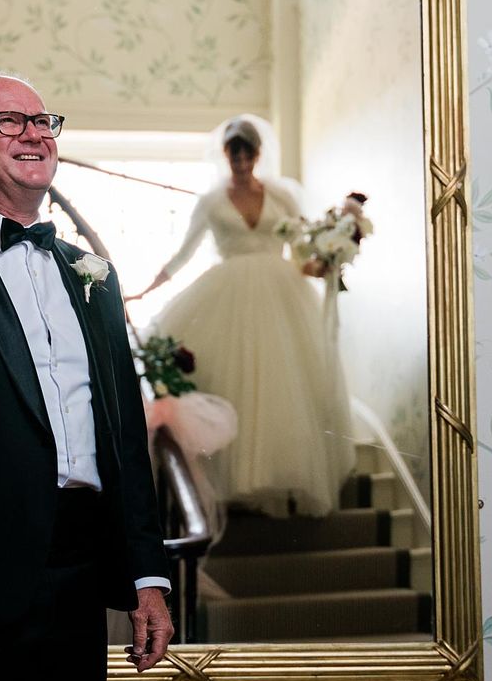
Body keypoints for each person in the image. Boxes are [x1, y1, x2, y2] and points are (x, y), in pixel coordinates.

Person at [0, 71, 173, 681]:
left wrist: (148, 574)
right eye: (9, 121)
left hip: (81, 578)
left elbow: (124, 437)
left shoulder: (94, 274)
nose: (34, 134)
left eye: (44, 122)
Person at [127, 115, 356, 518]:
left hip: (282, 292)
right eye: (234, 151)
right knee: (237, 381)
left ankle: (283, 474)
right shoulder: (211, 201)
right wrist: (144, 290)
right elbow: (183, 254)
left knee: (283, 382)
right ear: (225, 155)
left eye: (246, 151)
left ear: (257, 154)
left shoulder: (282, 196)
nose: (240, 159)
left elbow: (302, 251)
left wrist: (328, 261)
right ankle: (240, 479)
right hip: (228, 292)